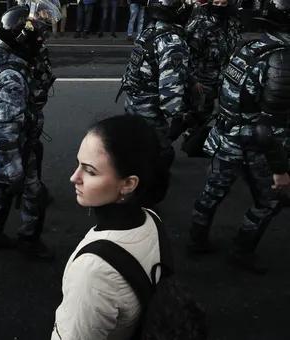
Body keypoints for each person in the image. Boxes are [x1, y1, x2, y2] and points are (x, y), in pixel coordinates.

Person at [189, 0, 290, 275]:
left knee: (214, 190)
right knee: (271, 200)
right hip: (252, 142)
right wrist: (281, 171)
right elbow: (267, 128)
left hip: (226, 134)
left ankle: (196, 241)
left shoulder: (251, 47)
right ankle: (241, 251)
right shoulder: (281, 57)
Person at [51, 115, 170, 339]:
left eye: (90, 171)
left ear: (128, 184)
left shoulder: (93, 272)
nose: (74, 177)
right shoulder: (151, 219)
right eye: (78, 165)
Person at [0, 0, 61, 260]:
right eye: (36, 37)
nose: (40, 41)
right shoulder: (13, 78)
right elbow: (4, 131)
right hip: (11, 150)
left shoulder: (6, 63)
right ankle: (29, 241)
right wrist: (15, 173)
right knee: (35, 194)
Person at [119, 0, 191, 170]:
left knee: (135, 141)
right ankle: (147, 186)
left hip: (132, 99)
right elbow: (170, 88)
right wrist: (180, 116)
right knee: (162, 152)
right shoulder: (172, 41)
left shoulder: (150, 30)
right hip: (149, 106)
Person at [184, 0, 241, 125]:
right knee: (193, 120)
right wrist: (192, 80)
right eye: (216, 2)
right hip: (201, 82)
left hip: (222, 82)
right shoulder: (200, 25)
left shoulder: (232, 24)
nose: (219, 6)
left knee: (210, 120)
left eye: (223, 3)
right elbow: (187, 54)